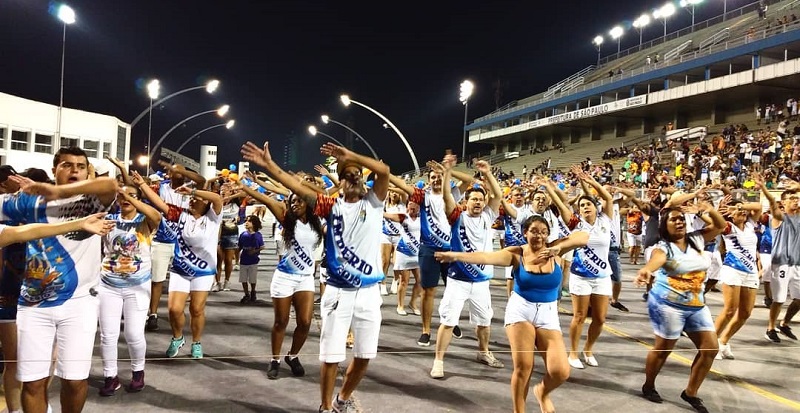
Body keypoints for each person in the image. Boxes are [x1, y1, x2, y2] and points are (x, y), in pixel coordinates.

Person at [242, 140, 389, 413]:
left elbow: (384, 170)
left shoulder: (375, 202)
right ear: (339, 185)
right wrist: (269, 165)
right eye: (346, 175)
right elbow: (295, 186)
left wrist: (350, 156)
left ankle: (341, 400)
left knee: (365, 356)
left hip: (369, 292)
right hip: (337, 292)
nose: (353, 176)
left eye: (357, 173)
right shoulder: (329, 206)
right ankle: (324, 407)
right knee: (332, 356)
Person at [0, 147, 118, 413]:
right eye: (66, 164)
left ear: (89, 172)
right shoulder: (27, 202)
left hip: (80, 304)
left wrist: (57, 192)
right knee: (32, 383)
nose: (74, 169)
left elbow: (111, 184)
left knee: (75, 381)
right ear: (54, 170)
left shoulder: (91, 201)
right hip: (32, 305)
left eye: (80, 165)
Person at [436, 216, 588, 413]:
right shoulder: (516, 254)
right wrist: (454, 256)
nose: (539, 236)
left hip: (548, 314)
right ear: (525, 233)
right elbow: (485, 257)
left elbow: (583, 237)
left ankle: (542, 391)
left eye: (543, 231)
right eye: (534, 231)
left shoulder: (555, 249)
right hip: (521, 310)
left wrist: (559, 248)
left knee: (560, 371)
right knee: (524, 366)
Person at [635, 202, 725, 413]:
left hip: (696, 304)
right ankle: (648, 385)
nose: (679, 222)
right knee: (663, 349)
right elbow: (657, 260)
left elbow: (720, 226)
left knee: (710, 348)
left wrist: (709, 210)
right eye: (673, 219)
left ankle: (690, 392)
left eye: (681, 219)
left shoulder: (697, 239)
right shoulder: (663, 247)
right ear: (664, 226)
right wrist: (646, 270)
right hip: (668, 305)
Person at [429, 155, 505, 379]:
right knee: (448, 322)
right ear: (466, 201)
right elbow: (446, 195)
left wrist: (488, 173)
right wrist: (447, 172)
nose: (478, 203)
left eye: (481, 199)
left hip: (481, 281)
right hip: (458, 281)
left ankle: (483, 352)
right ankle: (439, 361)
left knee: (484, 321)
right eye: (474, 199)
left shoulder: (488, 216)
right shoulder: (456, 216)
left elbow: (498, 195)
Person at [239, 179, 323, 380]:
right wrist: (246, 188)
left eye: (299, 201)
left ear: (308, 203)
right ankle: (275, 360)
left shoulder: (317, 222)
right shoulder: (288, 220)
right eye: (292, 201)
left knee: (305, 322)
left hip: (305, 277)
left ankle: (292, 356)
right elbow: (268, 201)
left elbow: (324, 194)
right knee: (281, 322)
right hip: (285, 277)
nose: (295, 204)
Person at [136, 170, 222, 360]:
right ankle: (178, 337)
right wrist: (142, 185)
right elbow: (160, 204)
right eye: (190, 199)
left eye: (196, 200)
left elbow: (216, 198)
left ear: (204, 202)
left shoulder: (213, 217)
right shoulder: (181, 215)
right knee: (174, 309)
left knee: (197, 309)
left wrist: (193, 192)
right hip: (180, 269)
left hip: (203, 271)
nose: (190, 202)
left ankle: (197, 342)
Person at [389, 161, 474, 346]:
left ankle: (451, 320)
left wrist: (448, 171)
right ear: (428, 181)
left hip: (451, 249)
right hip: (428, 249)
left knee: (454, 289)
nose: (436, 180)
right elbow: (402, 185)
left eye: (439, 177)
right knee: (428, 291)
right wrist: (384, 173)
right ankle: (426, 331)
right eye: (433, 177)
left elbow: (469, 180)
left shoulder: (452, 194)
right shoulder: (423, 196)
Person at [98, 184, 162, 396]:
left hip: (137, 286)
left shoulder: (144, 221)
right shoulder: (109, 220)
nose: (125, 199)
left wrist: (132, 197)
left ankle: (138, 372)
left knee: (134, 333)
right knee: (108, 335)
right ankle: (110, 376)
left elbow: (156, 215)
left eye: (132, 196)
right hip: (109, 285)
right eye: (122, 196)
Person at [146, 161, 205, 332]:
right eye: (175, 171)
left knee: (185, 279)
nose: (180, 173)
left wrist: (183, 171)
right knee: (157, 280)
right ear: (169, 173)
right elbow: (145, 192)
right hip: (163, 240)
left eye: (183, 171)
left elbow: (202, 180)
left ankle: (182, 312)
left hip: (184, 242)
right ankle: (153, 314)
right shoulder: (161, 188)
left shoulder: (190, 187)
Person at [565, 166, 614, 369]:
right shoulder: (577, 225)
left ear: (595, 207)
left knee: (600, 318)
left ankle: (588, 349)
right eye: (582, 205)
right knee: (579, 316)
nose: (585, 207)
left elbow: (608, 198)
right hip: (580, 276)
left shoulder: (605, 220)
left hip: (602, 275)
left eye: (588, 204)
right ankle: (573, 353)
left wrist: (591, 181)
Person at [713, 197, 762, 359]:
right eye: (735, 210)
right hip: (733, 270)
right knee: (729, 310)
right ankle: (710, 345)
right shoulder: (728, 227)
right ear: (729, 214)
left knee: (745, 313)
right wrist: (719, 209)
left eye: (741, 209)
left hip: (751, 272)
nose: (741, 211)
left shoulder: (750, 224)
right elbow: (716, 220)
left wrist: (740, 205)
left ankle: (723, 342)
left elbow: (758, 206)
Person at [755, 174, 800, 343]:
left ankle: (785, 323)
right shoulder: (778, 218)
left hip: (797, 263)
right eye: (792, 199)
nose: (796, 201)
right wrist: (764, 189)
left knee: (799, 299)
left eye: (797, 198)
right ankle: (770, 328)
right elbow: (773, 204)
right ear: (784, 203)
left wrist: (798, 186)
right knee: (779, 299)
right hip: (780, 263)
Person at [385, 200, 422, 315]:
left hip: (418, 253)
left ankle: (412, 303)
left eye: (414, 204)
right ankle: (400, 306)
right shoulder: (403, 217)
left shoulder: (424, 219)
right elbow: (387, 215)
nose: (412, 206)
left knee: (421, 280)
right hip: (404, 253)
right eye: (409, 204)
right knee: (404, 281)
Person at [237, 215, 264, 303]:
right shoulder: (243, 235)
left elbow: (262, 246)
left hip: (253, 261)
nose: (246, 223)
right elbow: (239, 247)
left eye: (249, 221)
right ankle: (246, 294)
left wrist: (255, 251)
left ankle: (253, 291)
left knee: (252, 278)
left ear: (254, 224)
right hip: (244, 260)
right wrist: (237, 259)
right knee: (243, 279)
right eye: (246, 221)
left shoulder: (258, 235)